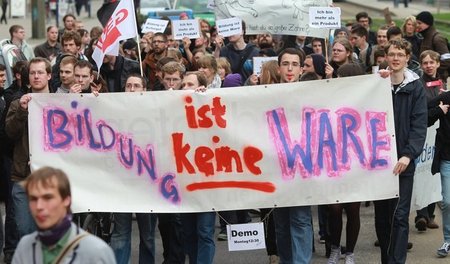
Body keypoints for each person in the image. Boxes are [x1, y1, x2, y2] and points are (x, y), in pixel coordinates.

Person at [374, 39, 427, 264]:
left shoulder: (416, 88)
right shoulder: (376, 84)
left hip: (403, 162)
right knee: (382, 217)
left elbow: (419, 125)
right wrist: (376, 83)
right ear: (386, 57)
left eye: (400, 54)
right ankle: (387, 259)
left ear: (407, 58)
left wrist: (408, 154)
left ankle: (397, 261)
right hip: (377, 163)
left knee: (400, 215)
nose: (395, 58)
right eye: (392, 54)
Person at [11, 166, 116, 263]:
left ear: (66, 200)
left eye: (48, 198)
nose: (39, 206)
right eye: (33, 199)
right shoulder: (25, 247)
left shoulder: (97, 252)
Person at [5, 58, 53, 260]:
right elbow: (10, 133)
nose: (36, 76)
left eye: (40, 72)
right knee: (25, 231)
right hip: (23, 178)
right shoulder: (18, 103)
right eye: (32, 73)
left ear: (49, 75)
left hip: (51, 180)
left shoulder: (60, 102)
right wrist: (22, 112)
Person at [108, 74, 158, 264]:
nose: (131, 89)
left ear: (144, 90)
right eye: (128, 85)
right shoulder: (114, 110)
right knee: (120, 233)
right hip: (122, 182)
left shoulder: (155, 109)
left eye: (136, 86)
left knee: (147, 235)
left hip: (149, 183)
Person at [273, 48, 312, 264]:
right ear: (278, 67)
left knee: (299, 219)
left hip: (301, 168)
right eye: (285, 64)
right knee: (281, 223)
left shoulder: (312, 92)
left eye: (295, 64)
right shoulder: (265, 92)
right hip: (275, 168)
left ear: (301, 68)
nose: (289, 69)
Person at [327, 62, 366, 264]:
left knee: (352, 210)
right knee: (334, 209)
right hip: (332, 161)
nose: (338, 80)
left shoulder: (363, 99)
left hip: (355, 162)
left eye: (342, 77)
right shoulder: (330, 97)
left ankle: (349, 252)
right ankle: (335, 248)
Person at [414, 50, 445, 232]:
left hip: (438, 133)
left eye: (431, 62)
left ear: (437, 64)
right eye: (425, 63)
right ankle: (421, 215)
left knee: (434, 173)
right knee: (422, 172)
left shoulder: (442, 82)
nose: (429, 66)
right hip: (423, 131)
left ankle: (431, 215)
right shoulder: (418, 84)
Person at [416, 11, 450, 84]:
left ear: (427, 23)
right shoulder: (425, 37)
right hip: (427, 79)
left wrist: (433, 71)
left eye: (419, 23)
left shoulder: (437, 39)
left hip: (438, 80)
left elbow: (447, 60)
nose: (417, 25)